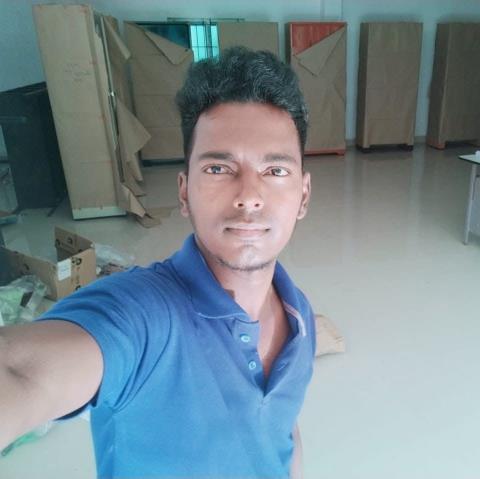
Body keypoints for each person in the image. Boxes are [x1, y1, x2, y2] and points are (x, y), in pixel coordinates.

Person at [0, 46, 315, 478]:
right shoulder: (143, 318)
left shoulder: (299, 316)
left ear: (303, 195)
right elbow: (19, 372)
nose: (249, 196)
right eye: (219, 169)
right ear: (184, 192)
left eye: (275, 171)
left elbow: (282, 430)